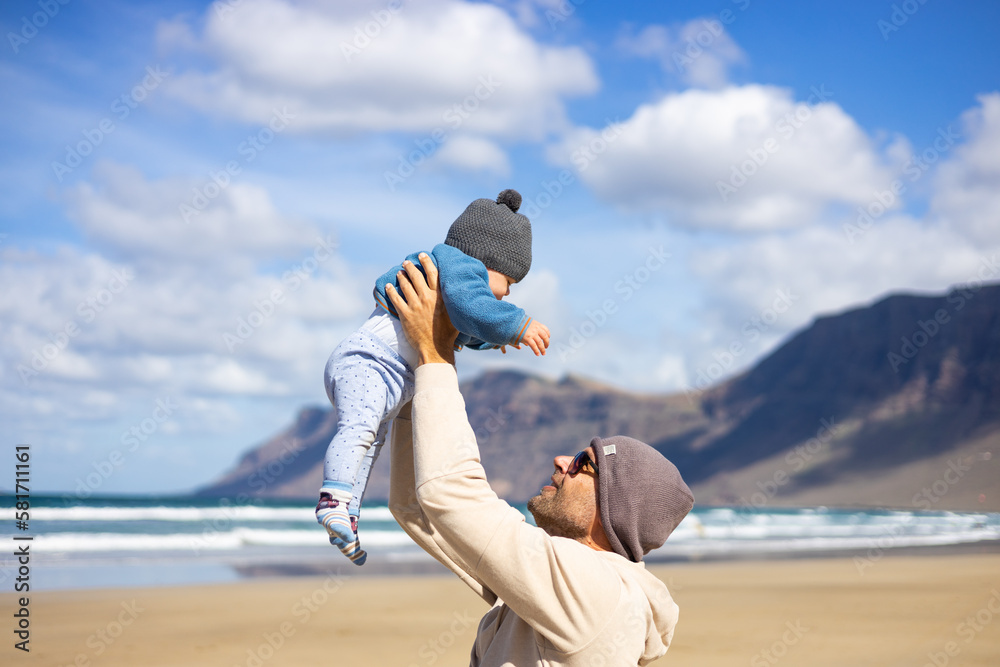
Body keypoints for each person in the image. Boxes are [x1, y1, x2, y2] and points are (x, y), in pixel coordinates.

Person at [385, 254, 694, 665]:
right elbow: (417, 506)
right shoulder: (562, 586)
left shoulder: (597, 592)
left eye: (586, 463)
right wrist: (416, 363)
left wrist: (435, 352)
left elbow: (451, 494)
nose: (562, 459)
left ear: (614, 510)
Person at [316, 189, 551, 565]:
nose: (507, 294)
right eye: (509, 282)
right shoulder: (456, 264)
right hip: (368, 363)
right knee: (359, 431)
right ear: (488, 259)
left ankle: (346, 516)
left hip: (388, 377)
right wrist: (516, 323)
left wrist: (494, 339)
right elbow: (471, 305)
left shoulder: (453, 281)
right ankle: (332, 499)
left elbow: (461, 326)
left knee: (370, 443)